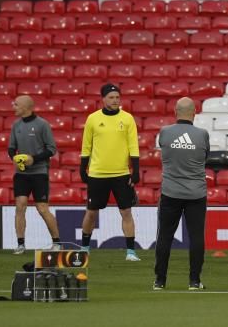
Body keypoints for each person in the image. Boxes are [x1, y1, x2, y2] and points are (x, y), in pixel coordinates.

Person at [79, 83, 141, 262]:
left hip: (121, 174)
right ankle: (84, 248)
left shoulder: (128, 118)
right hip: (98, 174)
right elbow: (86, 146)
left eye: (117, 97)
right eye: (111, 97)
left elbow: (133, 146)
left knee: (126, 212)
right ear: (103, 99)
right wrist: (83, 168)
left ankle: (130, 252)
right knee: (91, 212)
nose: (115, 100)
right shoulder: (92, 118)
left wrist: (135, 171)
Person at [153, 98, 210, 291]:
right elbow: (205, 157)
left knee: (165, 236)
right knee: (196, 237)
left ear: (175, 112)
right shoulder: (202, 135)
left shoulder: (165, 132)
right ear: (194, 112)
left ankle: (159, 281)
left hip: (170, 192)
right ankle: (194, 281)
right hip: (196, 194)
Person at [8, 95, 61, 254]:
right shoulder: (15, 125)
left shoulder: (42, 124)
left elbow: (51, 149)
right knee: (20, 206)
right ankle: (21, 244)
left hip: (39, 172)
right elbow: (11, 148)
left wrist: (33, 159)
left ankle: (57, 242)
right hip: (21, 173)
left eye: (16, 104)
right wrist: (15, 159)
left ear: (26, 107)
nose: (13, 106)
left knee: (42, 208)